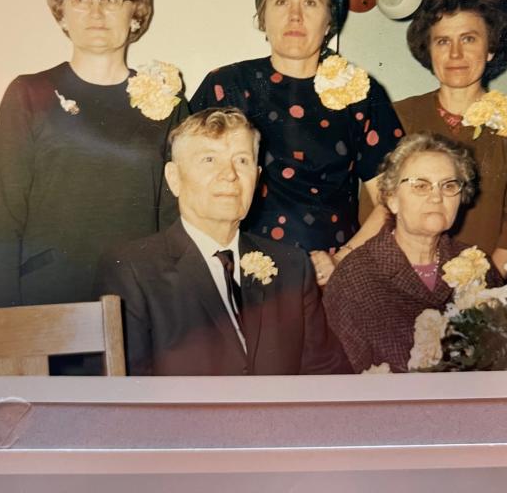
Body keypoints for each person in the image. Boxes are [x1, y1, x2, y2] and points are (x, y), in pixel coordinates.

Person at [0, 0, 188, 308]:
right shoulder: (29, 94)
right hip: (49, 299)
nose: (96, 13)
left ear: (137, 12)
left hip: (138, 301)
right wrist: (2, 329)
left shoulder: (167, 103)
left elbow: (178, 223)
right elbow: (4, 221)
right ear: (61, 11)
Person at [190, 0, 403, 283]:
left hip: (330, 277)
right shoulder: (226, 86)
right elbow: (189, 190)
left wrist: (343, 260)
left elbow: (394, 199)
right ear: (262, 17)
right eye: (280, 2)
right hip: (240, 277)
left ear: (330, 19)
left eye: (310, 3)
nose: (294, 16)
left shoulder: (360, 91)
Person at [96, 108, 349, 376]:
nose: (229, 174)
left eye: (241, 161)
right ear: (174, 179)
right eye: (209, 159)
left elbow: (327, 377)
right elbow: (127, 401)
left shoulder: (292, 267)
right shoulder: (132, 271)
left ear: (257, 176)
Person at [392, 0, 507, 275]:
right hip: (404, 280)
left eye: (469, 39)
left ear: (490, 48)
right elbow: (378, 210)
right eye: (443, 41)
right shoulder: (399, 115)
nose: (455, 54)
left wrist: (479, 296)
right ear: (429, 50)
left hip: (484, 285)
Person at [323, 133, 503, 373]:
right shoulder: (355, 277)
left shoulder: (478, 265)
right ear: (392, 199)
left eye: (449, 185)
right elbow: (342, 379)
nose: (437, 196)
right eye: (420, 185)